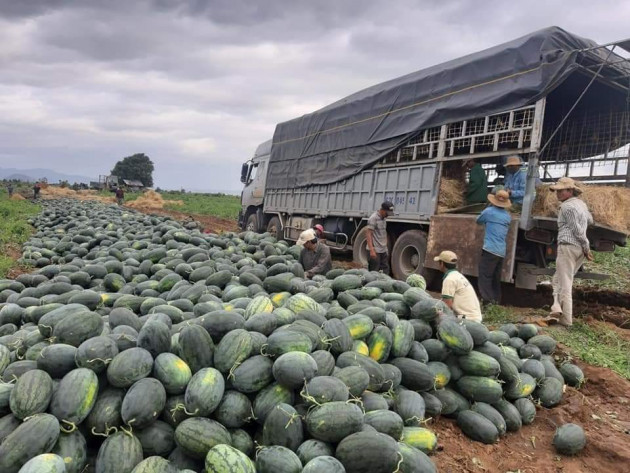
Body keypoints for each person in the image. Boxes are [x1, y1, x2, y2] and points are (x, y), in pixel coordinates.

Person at [547, 177, 593, 328]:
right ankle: (556, 310)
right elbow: (590, 221)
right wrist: (584, 247)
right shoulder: (581, 204)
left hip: (568, 246)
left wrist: (586, 246)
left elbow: (577, 230)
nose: (558, 194)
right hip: (578, 248)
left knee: (565, 284)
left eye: (561, 191)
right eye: (557, 191)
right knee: (557, 279)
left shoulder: (567, 207)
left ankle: (566, 321)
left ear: (570, 191)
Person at [476, 189, 512, 305]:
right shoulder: (507, 216)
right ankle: (496, 301)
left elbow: (479, 221)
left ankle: (487, 301)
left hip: (490, 249)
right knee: (495, 277)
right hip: (501, 251)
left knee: (485, 275)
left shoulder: (489, 211)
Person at [434, 250, 482, 322]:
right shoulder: (458, 275)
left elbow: (447, 306)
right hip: (476, 317)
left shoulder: (449, 279)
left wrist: (433, 312)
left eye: (439, 262)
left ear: (442, 264)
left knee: (438, 320)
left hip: (468, 319)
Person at [367, 201, 394, 273]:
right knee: (374, 272)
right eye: (387, 213)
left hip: (383, 250)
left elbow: (383, 233)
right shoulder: (373, 218)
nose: (387, 215)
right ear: (382, 210)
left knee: (385, 271)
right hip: (375, 250)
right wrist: (371, 250)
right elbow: (368, 234)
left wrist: (386, 248)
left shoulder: (384, 218)